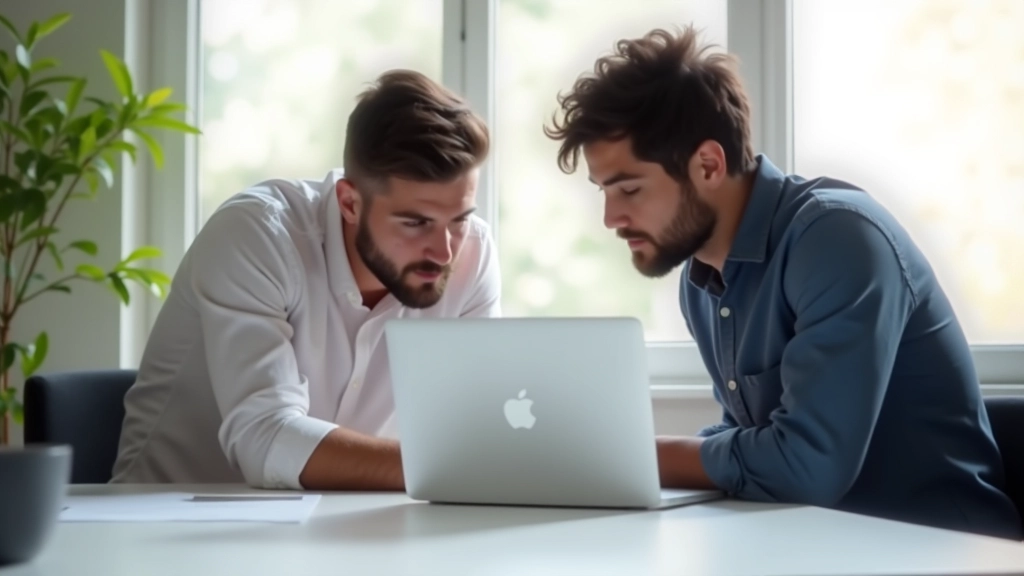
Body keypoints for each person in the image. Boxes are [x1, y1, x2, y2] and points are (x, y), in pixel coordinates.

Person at [544, 26, 1022, 540]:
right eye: (603, 192)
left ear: (708, 164)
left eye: (629, 189)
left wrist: (635, 455)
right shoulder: (701, 280)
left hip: (941, 547)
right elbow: (749, 441)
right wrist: (621, 461)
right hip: (817, 542)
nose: (611, 218)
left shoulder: (838, 239)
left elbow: (806, 467)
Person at [111, 70, 501, 491]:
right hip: (169, 521)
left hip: (343, 525)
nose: (444, 252)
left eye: (459, 219)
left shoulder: (472, 253)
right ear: (349, 202)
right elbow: (265, 438)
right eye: (415, 222)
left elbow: (474, 421)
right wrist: (455, 467)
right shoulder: (257, 235)